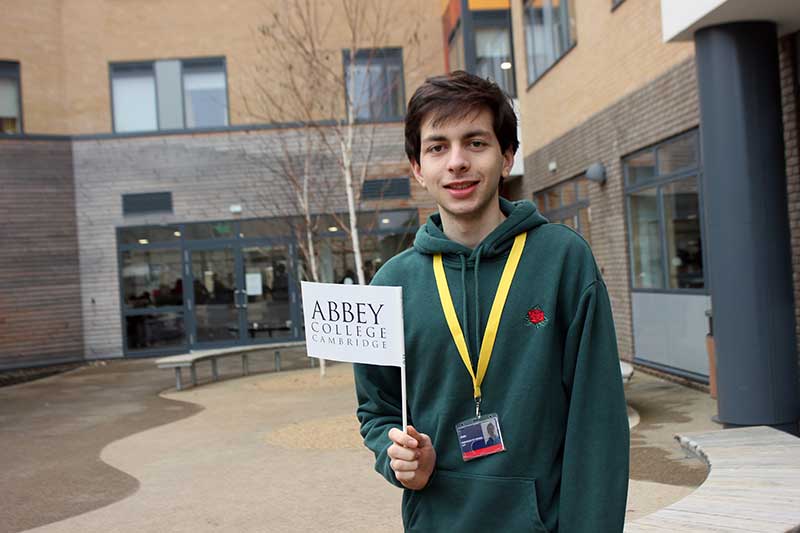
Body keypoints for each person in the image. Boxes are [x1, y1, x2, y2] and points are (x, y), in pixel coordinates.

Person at [353, 71, 629, 532]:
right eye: (438, 147)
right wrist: (395, 455)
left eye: (475, 142)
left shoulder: (562, 260)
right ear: (418, 168)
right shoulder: (390, 285)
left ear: (507, 157)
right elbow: (377, 410)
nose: (457, 162)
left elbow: (597, 425)